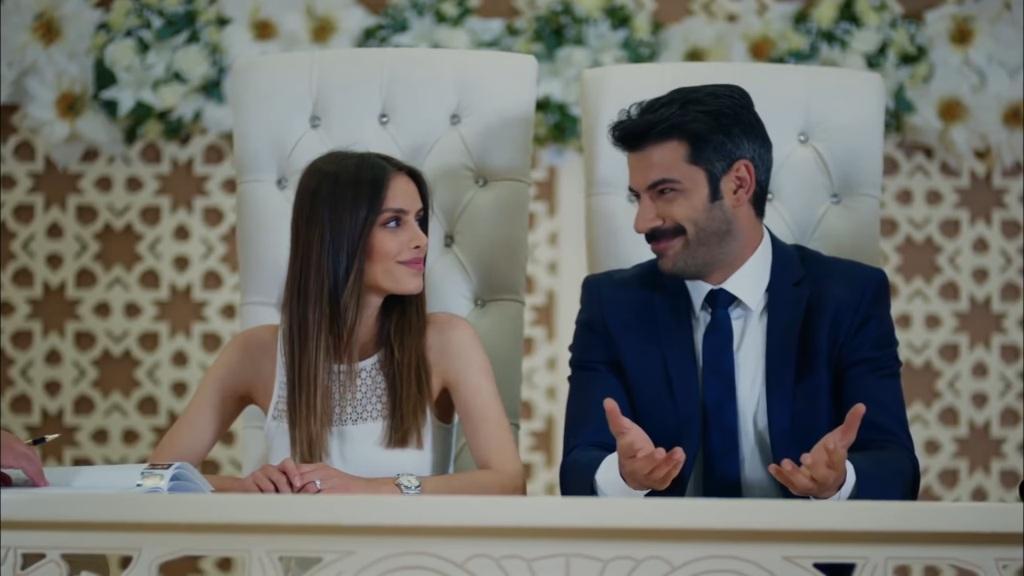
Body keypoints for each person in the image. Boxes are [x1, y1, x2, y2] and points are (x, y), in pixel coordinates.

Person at [560, 84, 919, 500]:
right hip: (664, 542)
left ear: (738, 184)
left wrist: (839, 481)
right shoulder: (611, 303)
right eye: (637, 197)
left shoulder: (849, 296)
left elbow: (896, 468)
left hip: (801, 542)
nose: (642, 222)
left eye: (665, 192)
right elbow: (579, 467)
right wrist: (624, 476)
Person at [153, 151, 523, 494]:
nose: (422, 240)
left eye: (419, 220)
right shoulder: (253, 353)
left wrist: (373, 489)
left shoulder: (447, 341)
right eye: (394, 222)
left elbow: (507, 483)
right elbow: (153, 479)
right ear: (339, 234)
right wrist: (245, 489)